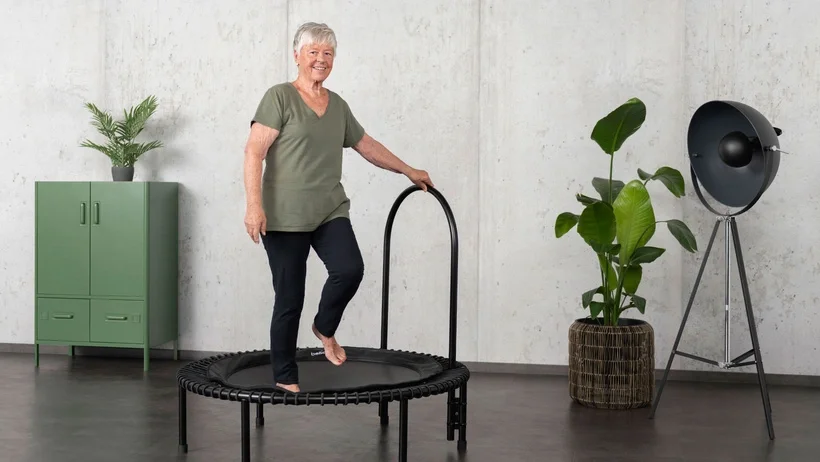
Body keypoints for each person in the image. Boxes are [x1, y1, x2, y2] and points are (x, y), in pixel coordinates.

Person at [242, 22, 434, 393]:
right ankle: (284, 376)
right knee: (289, 297)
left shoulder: (338, 105)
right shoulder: (279, 97)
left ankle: (324, 328)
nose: (320, 59)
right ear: (297, 55)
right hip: (284, 215)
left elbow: (366, 145)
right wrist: (254, 205)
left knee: (350, 269)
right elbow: (254, 151)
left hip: (329, 209)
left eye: (327, 53)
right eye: (313, 51)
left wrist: (408, 170)